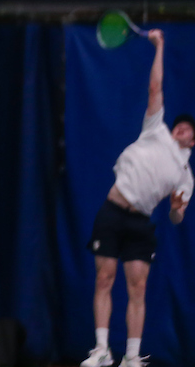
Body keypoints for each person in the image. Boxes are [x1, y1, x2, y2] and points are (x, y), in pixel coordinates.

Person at [81, 29, 192, 367]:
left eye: (189, 129)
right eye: (180, 125)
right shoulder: (156, 128)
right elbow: (155, 86)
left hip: (140, 224)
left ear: (193, 141)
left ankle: (131, 357)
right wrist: (159, 46)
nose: (182, 128)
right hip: (112, 211)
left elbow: (176, 218)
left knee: (138, 288)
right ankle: (101, 350)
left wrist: (176, 210)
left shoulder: (185, 176)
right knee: (104, 278)